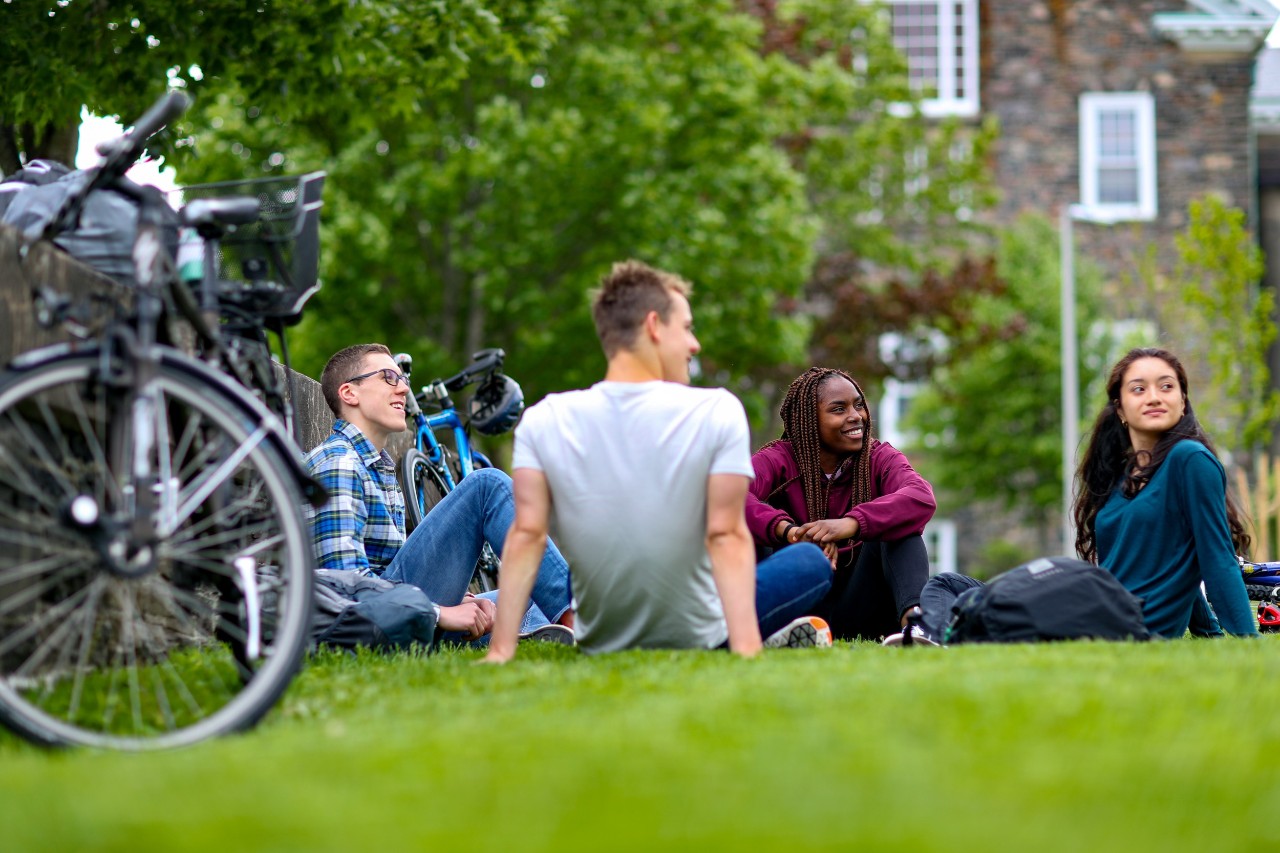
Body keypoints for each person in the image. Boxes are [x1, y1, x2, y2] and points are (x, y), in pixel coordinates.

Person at [483, 260, 833, 661]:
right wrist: (746, 650)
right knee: (809, 560)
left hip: (601, 640)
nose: (694, 344)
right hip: (699, 632)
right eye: (686, 328)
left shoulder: (544, 420)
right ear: (654, 326)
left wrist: (501, 650)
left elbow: (526, 535)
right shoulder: (716, 409)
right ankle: (747, 637)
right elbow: (726, 534)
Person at [893, 347, 1258, 644]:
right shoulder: (1123, 474)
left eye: (1167, 386)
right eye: (1139, 388)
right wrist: (1208, 634)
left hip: (1117, 618)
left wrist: (1246, 641)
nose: (1154, 397)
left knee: (1006, 599)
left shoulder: (1190, 459)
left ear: (1183, 401)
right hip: (1094, 600)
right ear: (1120, 408)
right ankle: (936, 634)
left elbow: (1214, 557)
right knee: (948, 583)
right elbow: (1174, 556)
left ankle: (939, 635)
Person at [305, 343, 574, 644]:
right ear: (349, 393)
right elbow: (341, 587)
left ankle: (551, 636)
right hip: (379, 627)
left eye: (402, 379)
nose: (403, 389)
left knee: (532, 592)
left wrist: (465, 599)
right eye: (388, 378)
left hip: (403, 610)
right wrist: (439, 612)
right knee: (486, 486)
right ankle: (578, 620)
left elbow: (392, 568)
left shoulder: (376, 465)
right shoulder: (338, 462)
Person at [744, 367, 937, 641]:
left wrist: (849, 524)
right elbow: (729, 497)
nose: (856, 416)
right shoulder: (778, 459)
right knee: (743, 529)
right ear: (809, 420)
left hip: (860, 604)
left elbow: (920, 496)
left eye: (859, 405)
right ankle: (753, 627)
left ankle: (915, 629)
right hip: (797, 604)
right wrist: (788, 531)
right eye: (839, 409)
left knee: (900, 527)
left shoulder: (878, 456)